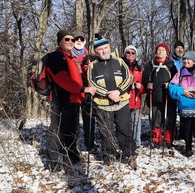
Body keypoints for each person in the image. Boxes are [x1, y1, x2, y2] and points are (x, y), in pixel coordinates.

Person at [45, 30, 96, 171]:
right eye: (67, 39)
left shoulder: (70, 58)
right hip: (60, 99)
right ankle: (53, 163)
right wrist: (82, 89)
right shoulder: (56, 57)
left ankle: (72, 157)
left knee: (72, 130)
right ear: (60, 41)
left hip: (73, 100)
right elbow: (62, 79)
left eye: (72, 40)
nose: (71, 42)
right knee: (57, 130)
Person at [88, 34, 136, 167]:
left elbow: (128, 79)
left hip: (121, 102)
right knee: (106, 132)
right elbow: (92, 83)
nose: (104, 51)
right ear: (96, 51)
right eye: (101, 49)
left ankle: (130, 155)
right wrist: (108, 94)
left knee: (124, 130)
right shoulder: (92, 66)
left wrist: (118, 92)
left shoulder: (120, 62)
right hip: (103, 105)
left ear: (110, 47)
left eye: (106, 47)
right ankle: (109, 155)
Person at [169, 51, 195, 161]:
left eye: (188, 59)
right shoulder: (180, 73)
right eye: (184, 59)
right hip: (185, 106)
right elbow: (172, 86)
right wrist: (183, 92)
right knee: (186, 129)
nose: (186, 61)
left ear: (194, 61)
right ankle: (188, 148)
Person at [142, 43, 177, 149]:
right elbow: (144, 77)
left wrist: (170, 84)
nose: (160, 52)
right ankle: (156, 140)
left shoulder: (171, 65)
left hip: (168, 97)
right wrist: (148, 83)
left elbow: (176, 79)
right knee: (155, 120)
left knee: (169, 119)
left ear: (166, 52)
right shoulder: (150, 64)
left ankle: (168, 141)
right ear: (156, 52)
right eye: (159, 50)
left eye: (163, 50)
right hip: (154, 97)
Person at [72, 31, 96, 152]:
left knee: (89, 119)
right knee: (73, 120)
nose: (79, 41)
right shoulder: (69, 55)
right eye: (77, 39)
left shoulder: (90, 56)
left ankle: (90, 143)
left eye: (81, 39)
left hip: (87, 92)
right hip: (74, 92)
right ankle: (72, 144)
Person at [123, 45, 145, 147]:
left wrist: (140, 87)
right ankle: (126, 142)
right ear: (124, 54)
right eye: (128, 52)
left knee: (136, 122)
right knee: (124, 123)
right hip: (123, 99)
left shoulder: (140, 69)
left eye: (133, 53)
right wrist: (128, 86)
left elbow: (144, 88)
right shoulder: (121, 66)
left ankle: (136, 143)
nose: (130, 55)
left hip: (136, 99)